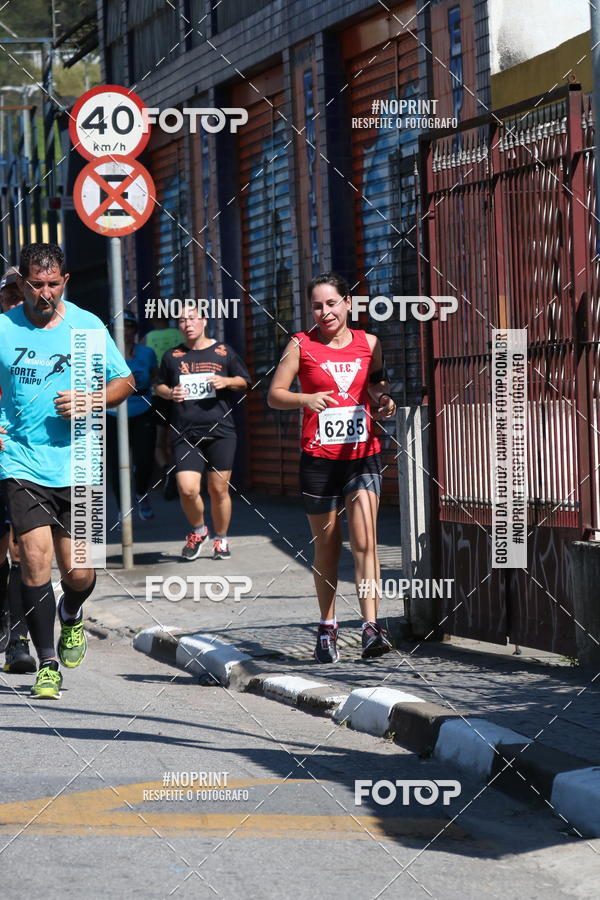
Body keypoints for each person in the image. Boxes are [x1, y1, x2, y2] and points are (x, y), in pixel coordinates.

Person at [0, 242, 133, 698]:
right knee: (33, 558)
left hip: (80, 462)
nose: (45, 293)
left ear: (66, 282)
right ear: (21, 283)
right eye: (36, 284)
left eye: (53, 284)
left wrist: (91, 400)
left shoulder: (87, 326)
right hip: (22, 463)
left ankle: (71, 614)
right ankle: (47, 663)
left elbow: (125, 381)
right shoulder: (3, 329)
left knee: (76, 572)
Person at [267, 272, 396, 663]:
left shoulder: (369, 343)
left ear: (348, 305)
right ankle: (327, 627)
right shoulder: (300, 345)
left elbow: (377, 384)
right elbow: (275, 395)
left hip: (362, 454)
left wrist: (384, 400)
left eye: (332, 303)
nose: (325, 312)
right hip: (320, 461)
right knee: (327, 547)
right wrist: (305, 399)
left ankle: (372, 628)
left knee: (365, 541)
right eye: (318, 306)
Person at [155, 304, 250, 560]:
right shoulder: (172, 356)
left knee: (218, 489)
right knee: (187, 488)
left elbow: (244, 381)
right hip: (186, 432)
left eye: (192, 318)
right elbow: (159, 386)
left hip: (221, 430)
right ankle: (199, 530)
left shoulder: (223, 351)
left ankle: (221, 538)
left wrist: (226, 381)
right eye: (182, 320)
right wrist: (169, 392)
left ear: (204, 321)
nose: (187, 324)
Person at [0, 267, 35, 673]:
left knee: (23, 550)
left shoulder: (50, 336)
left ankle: (19, 641)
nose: (15, 299)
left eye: (19, 292)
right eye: (9, 293)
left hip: (28, 462)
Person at [106, 310, 157, 522]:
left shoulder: (146, 353)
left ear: (135, 330)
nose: (124, 330)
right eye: (120, 326)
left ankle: (141, 493)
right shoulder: (104, 353)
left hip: (142, 408)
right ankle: (122, 509)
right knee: (117, 463)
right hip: (113, 412)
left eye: (129, 326)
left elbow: (154, 377)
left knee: (144, 460)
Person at [142, 309, 180, 497]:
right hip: (181, 392)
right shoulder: (179, 335)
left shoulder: (147, 338)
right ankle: (179, 470)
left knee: (159, 440)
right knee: (178, 438)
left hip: (158, 394)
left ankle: (167, 468)